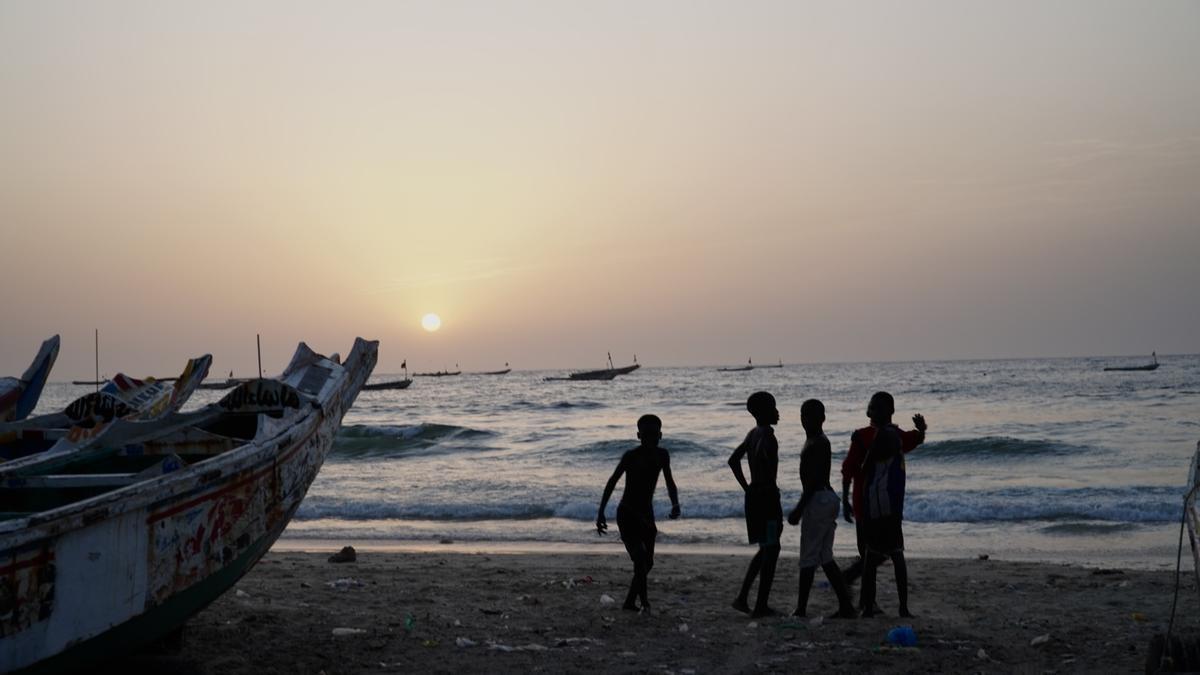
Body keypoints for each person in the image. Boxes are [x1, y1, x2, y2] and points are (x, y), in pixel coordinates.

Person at [840, 391, 926, 617]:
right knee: (879, 553)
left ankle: (865, 599)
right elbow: (849, 468)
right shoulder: (879, 436)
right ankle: (869, 602)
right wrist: (844, 499)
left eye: (875, 407)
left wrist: (922, 431)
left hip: (872, 505)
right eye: (872, 406)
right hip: (874, 505)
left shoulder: (869, 436)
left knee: (871, 554)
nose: (872, 410)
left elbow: (851, 468)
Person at [596, 414, 681, 612]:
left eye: (654, 434)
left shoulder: (663, 455)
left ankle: (631, 602)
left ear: (660, 435)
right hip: (627, 514)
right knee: (641, 559)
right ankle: (643, 602)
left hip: (647, 515)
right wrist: (600, 513)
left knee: (647, 563)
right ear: (638, 435)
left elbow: (669, 481)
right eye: (646, 435)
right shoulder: (631, 456)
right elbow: (612, 482)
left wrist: (675, 503)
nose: (651, 439)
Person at [785, 399, 856, 618]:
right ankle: (846, 606)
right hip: (825, 499)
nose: (806, 420)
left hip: (819, 499)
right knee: (825, 556)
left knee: (808, 557)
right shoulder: (815, 441)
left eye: (812, 416)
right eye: (804, 415)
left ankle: (801, 609)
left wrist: (798, 508)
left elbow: (813, 481)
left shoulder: (818, 443)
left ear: (823, 419)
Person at [728, 391, 783, 617]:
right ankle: (760, 605)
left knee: (767, 548)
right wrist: (762, 484)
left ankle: (743, 598)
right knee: (772, 548)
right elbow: (761, 457)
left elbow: (733, 460)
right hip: (767, 499)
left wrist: (747, 487)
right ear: (763, 412)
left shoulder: (752, 433)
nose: (777, 411)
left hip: (754, 498)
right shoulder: (767, 436)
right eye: (773, 407)